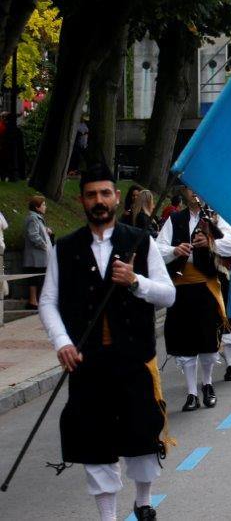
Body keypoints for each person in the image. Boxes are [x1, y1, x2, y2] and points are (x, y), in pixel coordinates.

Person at [38, 163, 175, 521]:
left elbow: (168, 295)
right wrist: (62, 342)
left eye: (104, 193)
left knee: (142, 439)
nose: (98, 201)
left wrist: (135, 281)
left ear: (116, 197)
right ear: (82, 200)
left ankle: (143, 503)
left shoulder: (140, 241)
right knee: (95, 443)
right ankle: (108, 517)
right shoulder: (65, 248)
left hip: (134, 360)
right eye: (90, 195)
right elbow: (48, 302)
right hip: (88, 362)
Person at [156, 187, 231, 412]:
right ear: (184, 192)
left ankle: (207, 384)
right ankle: (191, 393)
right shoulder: (175, 219)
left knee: (208, 341)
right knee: (185, 343)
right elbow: (158, 248)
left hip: (206, 287)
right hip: (181, 288)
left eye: (198, 188)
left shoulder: (215, 218)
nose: (195, 193)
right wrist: (174, 250)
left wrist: (211, 243)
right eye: (190, 189)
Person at [23, 194, 53, 310]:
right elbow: (33, 235)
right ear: (37, 207)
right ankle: (33, 301)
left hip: (39, 256)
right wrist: (44, 245)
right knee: (35, 279)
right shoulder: (33, 218)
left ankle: (35, 301)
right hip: (36, 257)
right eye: (43, 205)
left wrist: (45, 231)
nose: (45, 207)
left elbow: (36, 231)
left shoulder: (37, 218)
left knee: (38, 279)